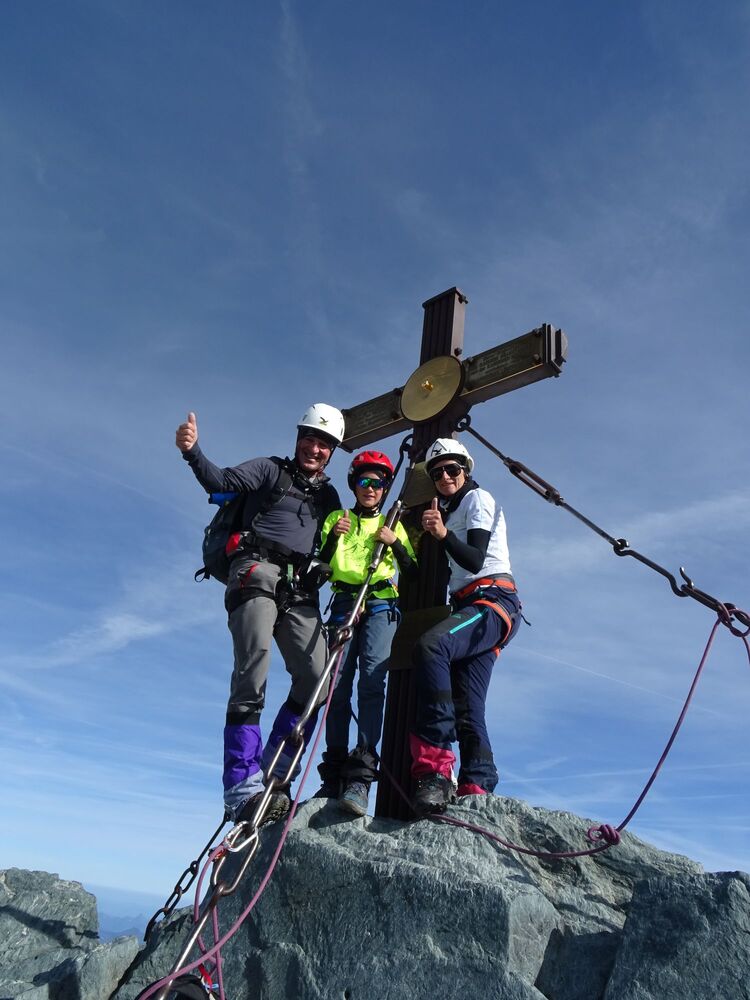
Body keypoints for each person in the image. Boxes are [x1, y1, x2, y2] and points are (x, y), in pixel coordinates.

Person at [175, 404, 344, 826]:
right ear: (298, 439)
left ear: (332, 452)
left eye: (324, 445)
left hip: (299, 588)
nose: (315, 449)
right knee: (253, 670)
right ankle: (240, 786)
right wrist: (193, 452)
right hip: (255, 571)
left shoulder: (328, 498)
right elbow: (221, 481)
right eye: (310, 439)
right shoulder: (270, 470)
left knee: (319, 680)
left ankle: (274, 771)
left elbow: (328, 548)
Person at [409, 437, 522, 815]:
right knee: (468, 704)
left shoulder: (478, 499)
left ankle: (435, 770)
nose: (445, 477)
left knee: (432, 646)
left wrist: (442, 534)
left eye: (452, 469)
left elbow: (474, 559)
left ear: (466, 470)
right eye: (437, 473)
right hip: (474, 605)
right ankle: (478, 784)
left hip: (492, 601)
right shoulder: (449, 509)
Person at [316, 450, 417, 816]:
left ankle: (360, 774)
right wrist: (332, 539)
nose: (371, 488)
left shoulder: (393, 523)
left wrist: (394, 543)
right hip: (345, 601)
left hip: (380, 603)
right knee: (336, 687)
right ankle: (333, 772)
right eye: (364, 481)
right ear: (354, 484)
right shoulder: (336, 519)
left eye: (378, 482)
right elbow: (320, 564)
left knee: (372, 682)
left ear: (386, 487)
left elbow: (412, 569)